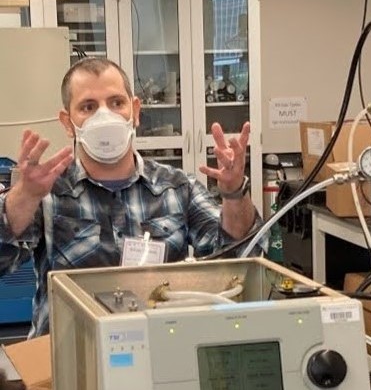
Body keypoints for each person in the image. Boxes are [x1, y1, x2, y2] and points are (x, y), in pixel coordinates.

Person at [0, 57, 262, 338]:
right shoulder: (48, 191)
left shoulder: (176, 187)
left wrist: (234, 193)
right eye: (89, 107)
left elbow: (240, 256)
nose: (105, 116)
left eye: (116, 103)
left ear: (135, 111)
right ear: (68, 122)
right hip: (72, 359)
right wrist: (24, 197)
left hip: (160, 352)